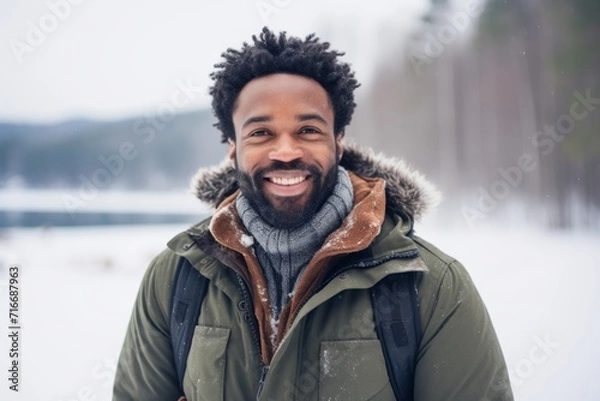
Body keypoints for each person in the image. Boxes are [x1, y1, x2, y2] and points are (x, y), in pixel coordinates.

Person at [113, 27, 513, 401]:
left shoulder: (431, 286)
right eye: (261, 132)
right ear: (233, 147)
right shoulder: (174, 279)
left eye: (308, 130)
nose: (285, 151)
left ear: (338, 142)